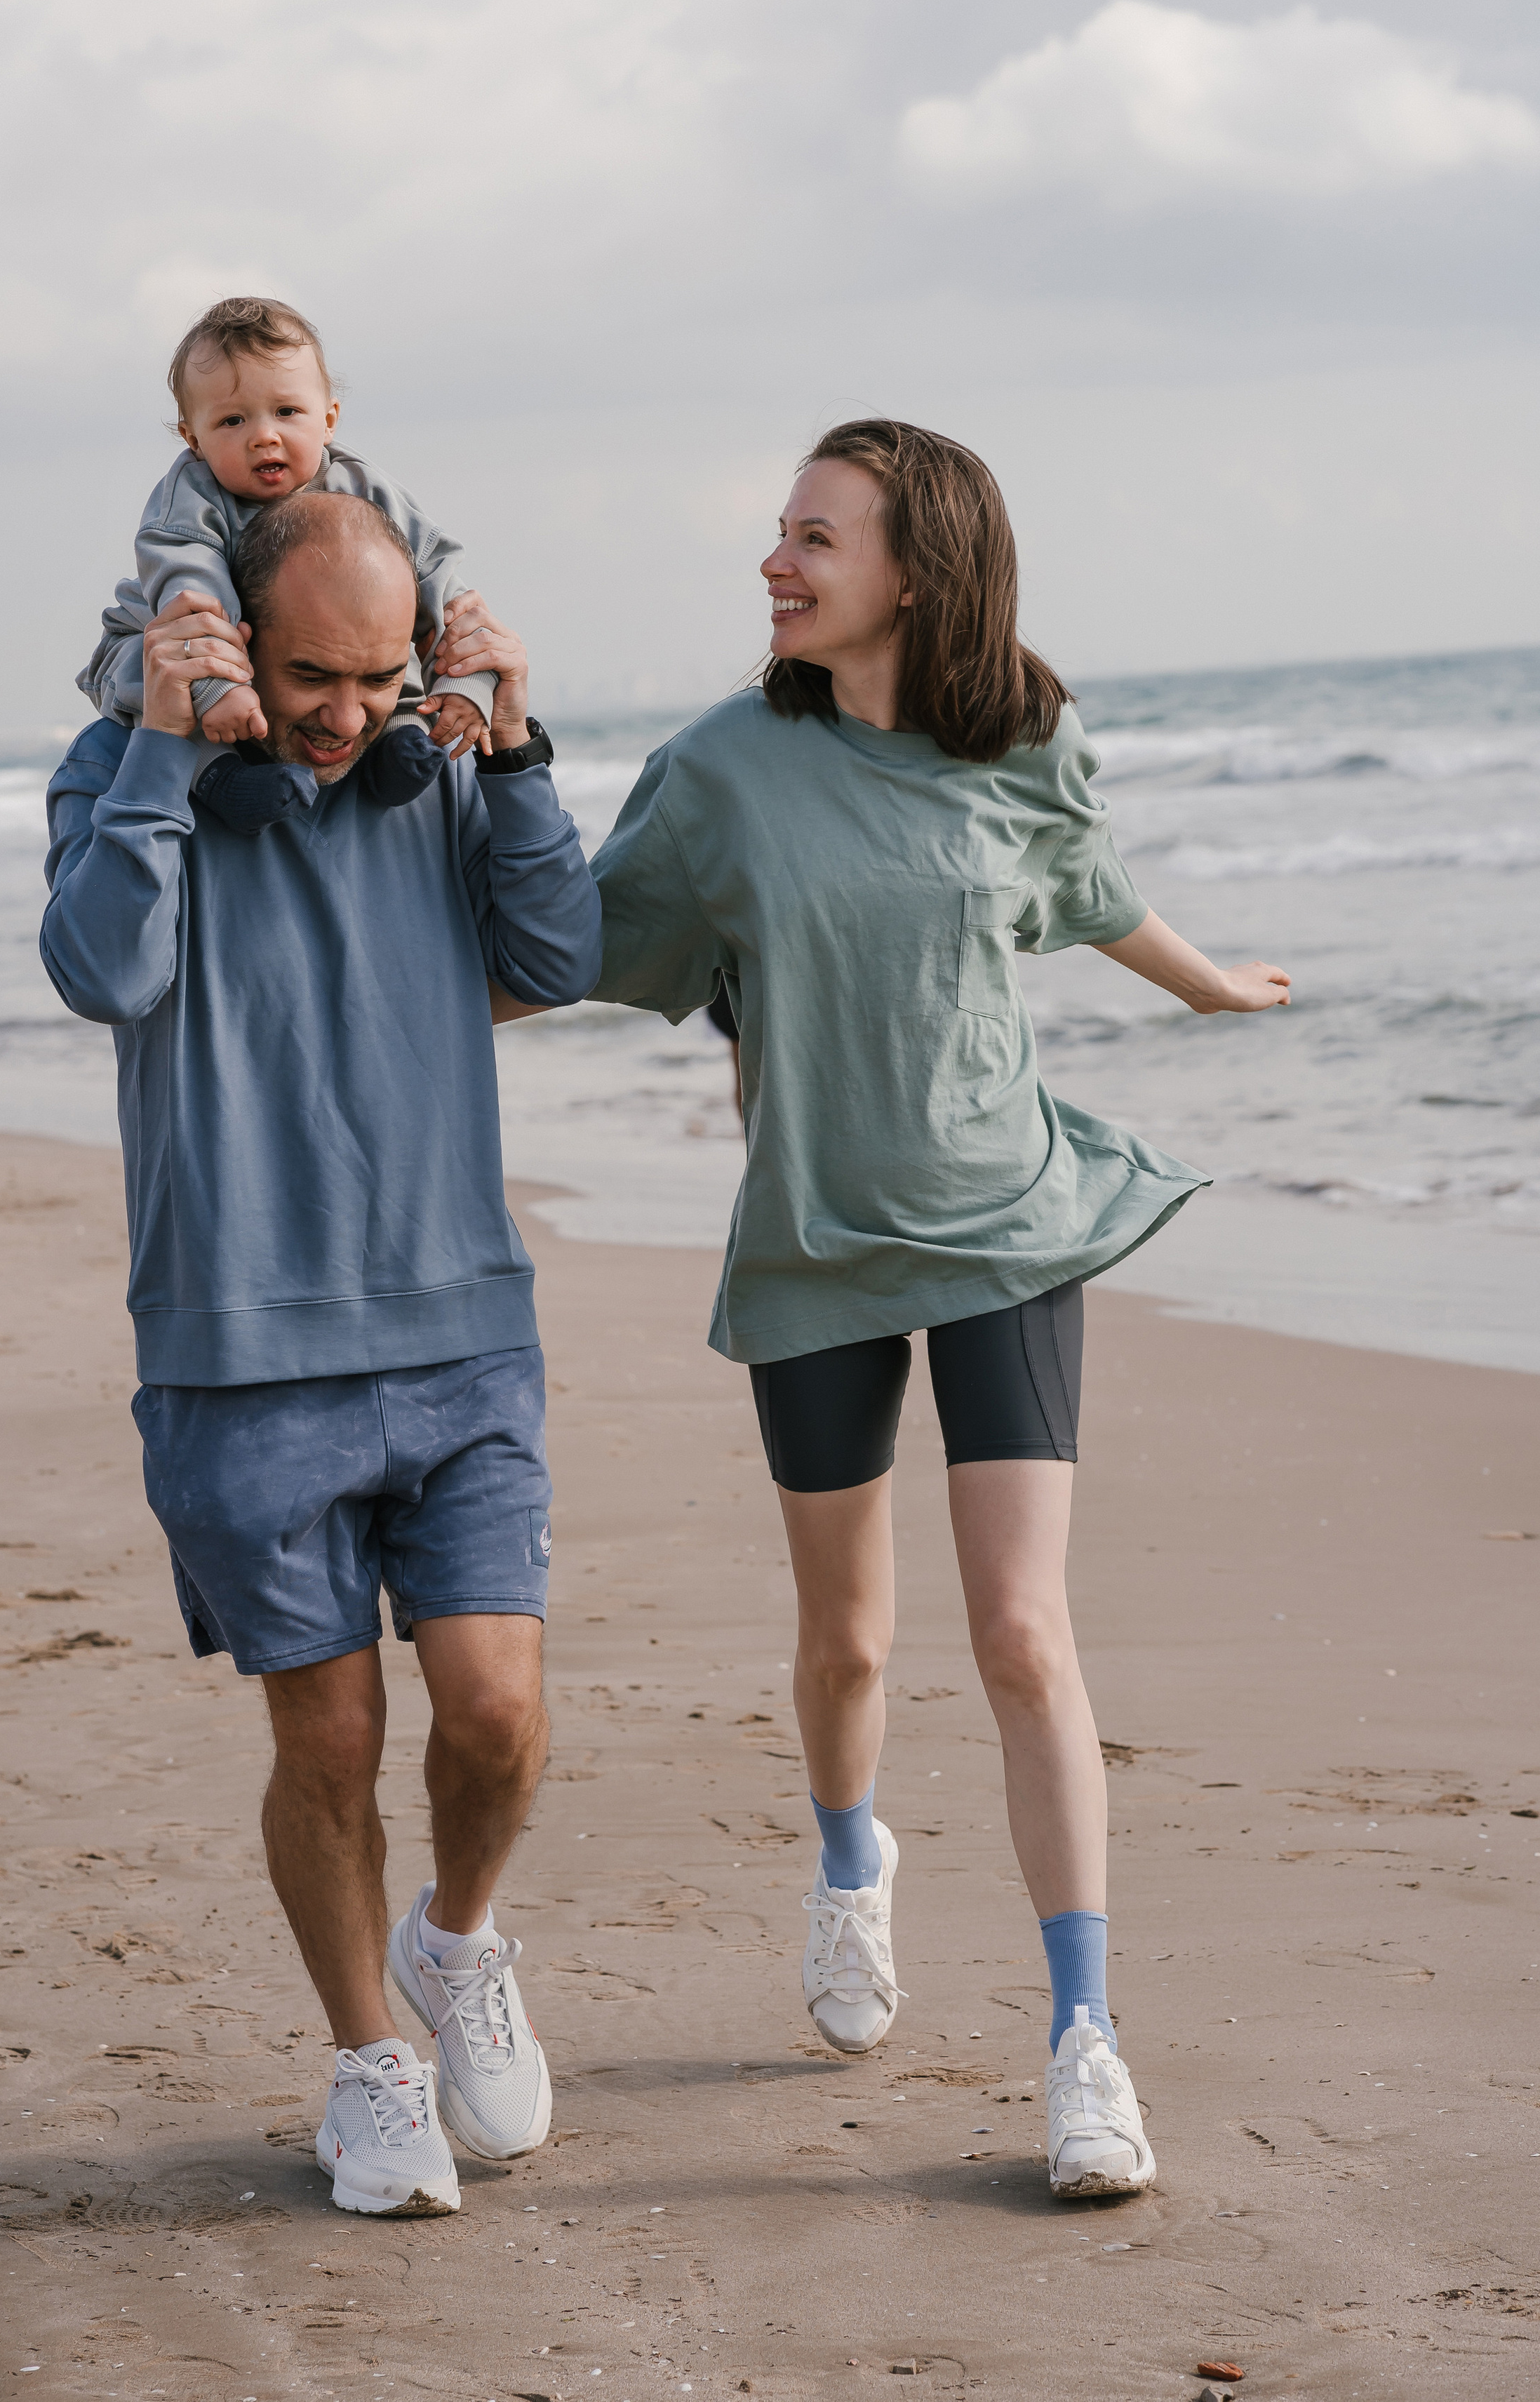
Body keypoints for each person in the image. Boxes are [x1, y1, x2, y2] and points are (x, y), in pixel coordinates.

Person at [589, 419, 1289, 2199]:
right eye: (778, 531)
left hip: (1004, 1221)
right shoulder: (723, 771)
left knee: (1020, 1633)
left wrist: (1202, 981)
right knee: (845, 1641)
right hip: (816, 1243)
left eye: (814, 537)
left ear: (913, 569)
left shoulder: (1020, 738)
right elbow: (577, 948)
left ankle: (1082, 2048)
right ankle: (847, 1865)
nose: (776, 560)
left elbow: (1087, 889)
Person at [41, 486, 602, 2217]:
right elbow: (102, 967)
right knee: (330, 1738)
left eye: (379, 673)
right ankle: (369, 2060)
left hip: (461, 1333)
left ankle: (455, 1938)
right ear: (226, 633)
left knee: (497, 1714)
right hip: (237, 1353)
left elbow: (559, 952)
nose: (347, 712)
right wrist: (154, 746)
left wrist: (512, 754)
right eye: (312, 677)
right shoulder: (125, 765)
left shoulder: (437, 769)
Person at [76, 295, 499, 837]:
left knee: (374, 637)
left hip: (314, 650)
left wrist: (470, 685)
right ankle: (217, 776)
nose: (263, 435)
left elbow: (442, 582)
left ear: (328, 419)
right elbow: (193, 589)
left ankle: (398, 736)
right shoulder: (191, 500)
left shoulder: (365, 489)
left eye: (286, 412)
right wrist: (216, 688)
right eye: (232, 420)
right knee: (143, 666)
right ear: (193, 439)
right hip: (188, 636)